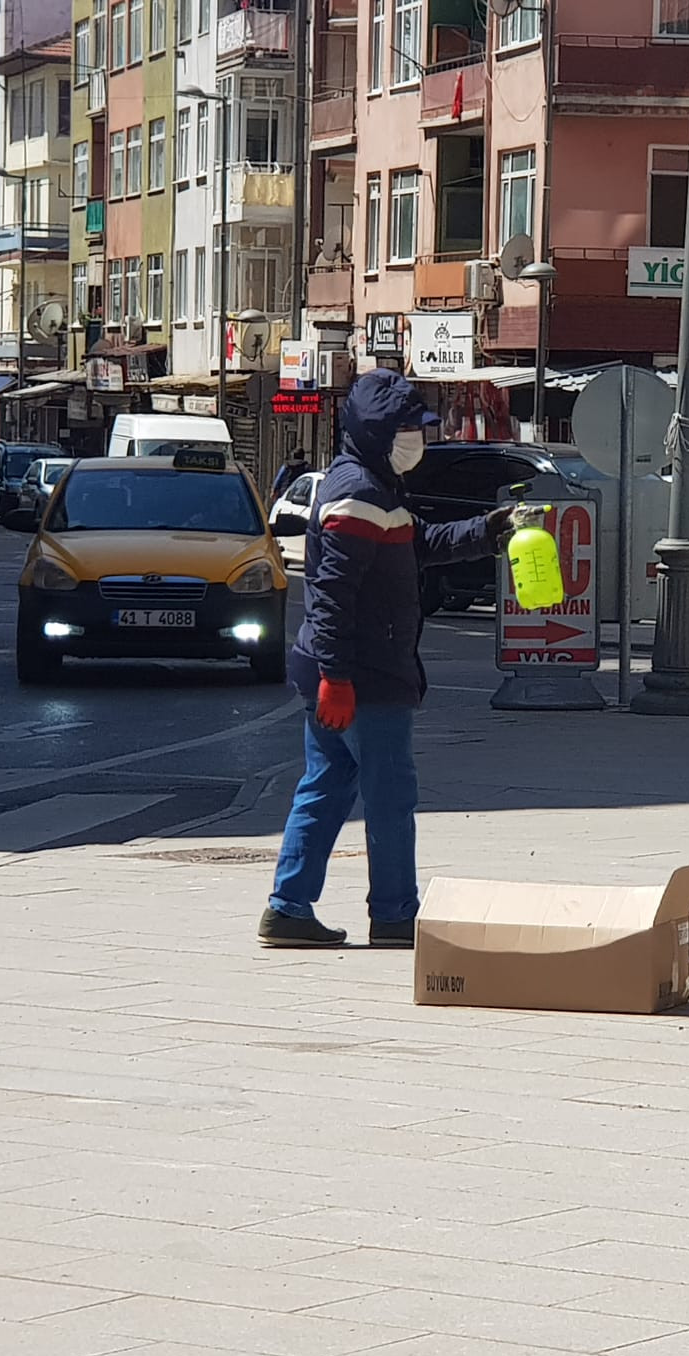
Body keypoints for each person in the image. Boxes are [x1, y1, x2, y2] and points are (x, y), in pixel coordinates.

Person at [260, 370, 511, 949]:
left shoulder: (374, 485)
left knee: (325, 786)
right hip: (366, 674)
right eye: (407, 429)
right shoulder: (360, 494)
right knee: (390, 795)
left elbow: (417, 543)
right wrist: (337, 676)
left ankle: (289, 908)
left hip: (349, 669)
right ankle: (395, 915)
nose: (416, 439)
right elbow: (330, 595)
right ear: (377, 432)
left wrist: (486, 530)